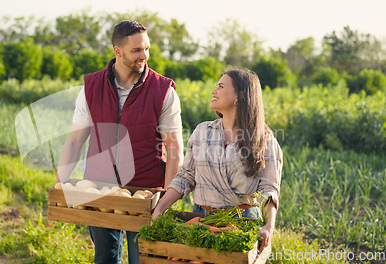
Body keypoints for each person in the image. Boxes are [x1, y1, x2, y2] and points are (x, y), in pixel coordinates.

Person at [57, 20, 183, 264]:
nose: (144, 56)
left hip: (146, 193)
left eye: (146, 48)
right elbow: (74, 142)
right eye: (136, 50)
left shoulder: (163, 90)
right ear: (118, 51)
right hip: (98, 189)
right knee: (104, 258)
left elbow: (175, 149)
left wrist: (165, 201)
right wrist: (60, 186)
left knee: (143, 260)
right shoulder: (91, 88)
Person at [152, 68, 283, 254]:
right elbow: (185, 177)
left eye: (220, 86)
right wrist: (160, 208)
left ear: (239, 96)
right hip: (200, 220)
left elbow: (269, 190)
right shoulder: (202, 132)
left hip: (242, 223)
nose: (214, 91)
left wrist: (268, 226)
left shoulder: (265, 140)